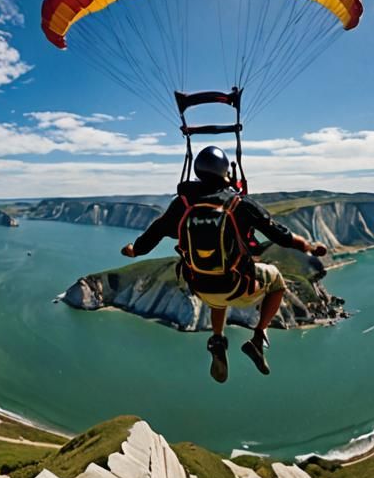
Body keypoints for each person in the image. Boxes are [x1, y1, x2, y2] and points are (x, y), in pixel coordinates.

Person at [122, 146, 328, 383]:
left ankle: (218, 339)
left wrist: (134, 249)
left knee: (217, 291)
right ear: (224, 173)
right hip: (236, 285)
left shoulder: (183, 205)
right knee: (276, 279)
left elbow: (155, 231)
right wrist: (311, 247)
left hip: (201, 288)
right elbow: (282, 236)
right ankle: (258, 337)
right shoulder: (239, 205)